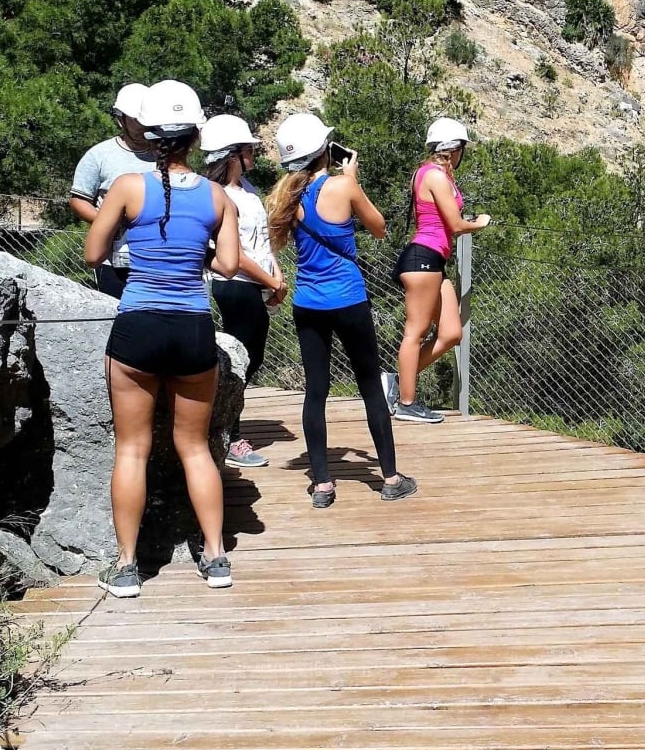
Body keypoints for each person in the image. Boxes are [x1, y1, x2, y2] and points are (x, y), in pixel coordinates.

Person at [85, 80, 242, 598]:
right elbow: (228, 265)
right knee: (195, 447)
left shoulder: (128, 187)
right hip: (193, 326)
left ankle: (128, 567)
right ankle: (216, 558)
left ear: (149, 135)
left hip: (138, 323)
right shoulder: (218, 197)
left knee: (132, 448)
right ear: (196, 137)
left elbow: (92, 252)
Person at [267, 112, 416, 508]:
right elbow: (381, 227)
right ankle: (390, 478)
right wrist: (354, 180)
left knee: (316, 391)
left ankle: (322, 484)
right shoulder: (342, 186)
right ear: (323, 152)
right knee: (369, 384)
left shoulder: (287, 197)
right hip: (348, 298)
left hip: (308, 303)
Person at [382, 118, 492, 424]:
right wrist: (479, 223)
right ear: (454, 149)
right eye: (462, 149)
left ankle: (396, 380)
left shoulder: (427, 172)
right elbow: (455, 225)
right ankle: (406, 402)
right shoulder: (436, 177)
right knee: (415, 332)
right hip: (423, 259)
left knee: (451, 333)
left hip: (431, 260)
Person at [200, 112, 286, 469]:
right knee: (240, 361)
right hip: (234, 285)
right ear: (233, 153)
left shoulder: (244, 190)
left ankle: (222, 427)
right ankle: (229, 435)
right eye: (249, 147)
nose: (255, 151)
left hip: (255, 283)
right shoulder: (216, 194)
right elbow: (229, 252)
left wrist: (276, 274)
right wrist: (270, 281)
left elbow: (260, 242)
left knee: (251, 358)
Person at [70, 83, 157, 297]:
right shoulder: (99, 155)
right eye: (136, 119)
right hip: (115, 260)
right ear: (121, 119)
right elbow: (78, 200)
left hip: (158, 258)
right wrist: (108, 222)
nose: (142, 124)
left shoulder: (166, 156)